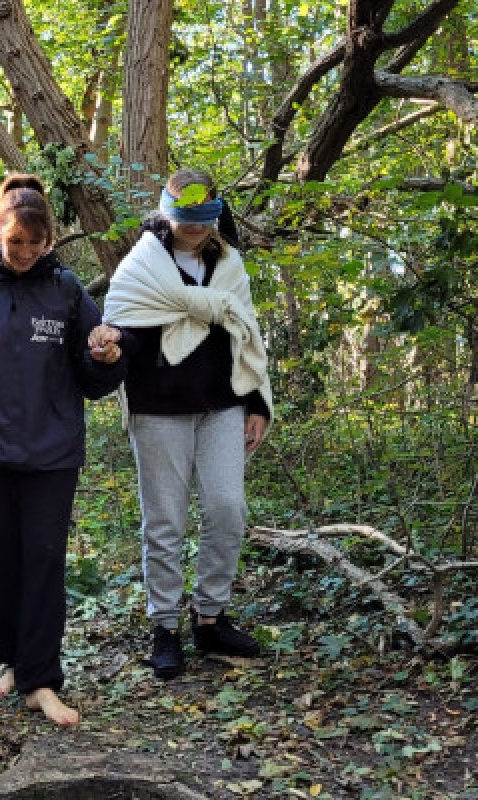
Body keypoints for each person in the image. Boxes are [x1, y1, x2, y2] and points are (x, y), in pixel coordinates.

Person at [0, 174, 127, 725]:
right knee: (0, 563)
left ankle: (42, 681)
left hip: (50, 454)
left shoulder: (66, 292)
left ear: (49, 242)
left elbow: (94, 374)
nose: (23, 253)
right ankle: (14, 661)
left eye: (34, 244)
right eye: (15, 242)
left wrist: (107, 358)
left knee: (42, 562)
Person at [97, 168, 273, 680]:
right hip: (159, 405)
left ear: (215, 215)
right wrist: (110, 345)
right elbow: (126, 327)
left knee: (226, 509)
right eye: (185, 218)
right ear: (167, 214)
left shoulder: (229, 264)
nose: (194, 228)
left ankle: (211, 617)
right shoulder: (142, 266)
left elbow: (247, 332)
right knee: (165, 521)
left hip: (223, 403)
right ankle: (165, 627)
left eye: (203, 218)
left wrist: (257, 402)